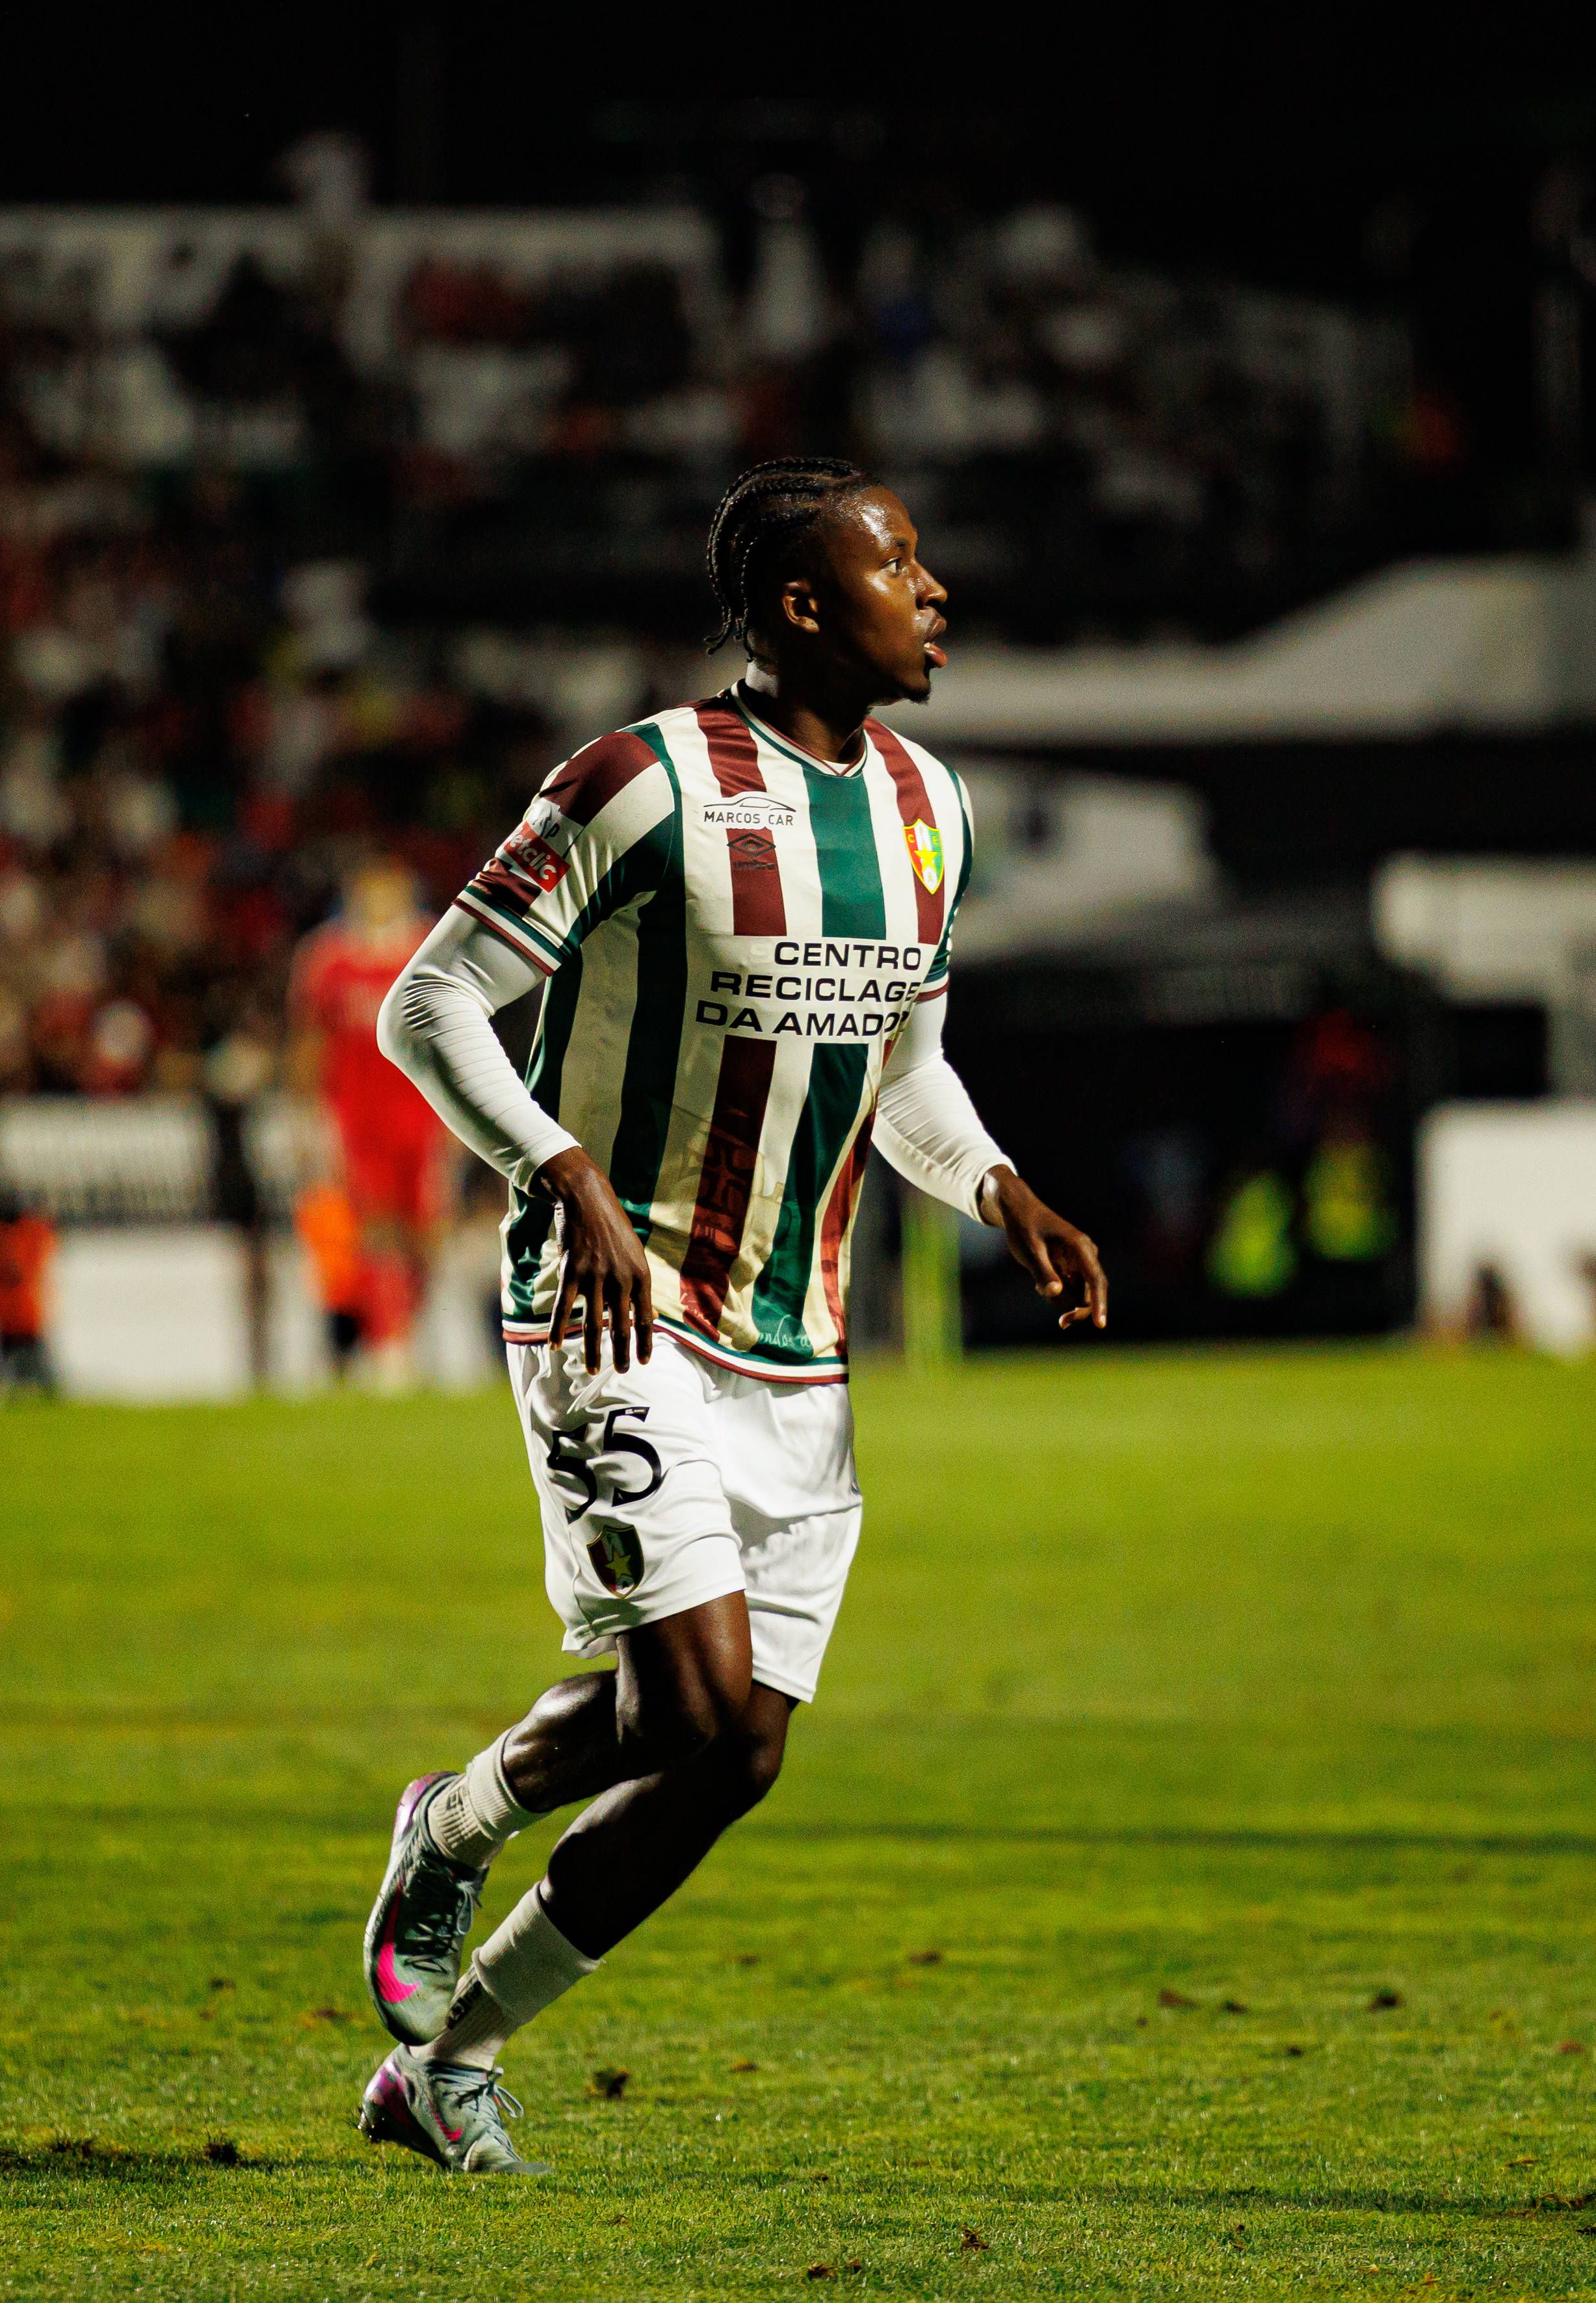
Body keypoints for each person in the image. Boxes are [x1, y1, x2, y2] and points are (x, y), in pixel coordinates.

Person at [359, 459, 1108, 2174]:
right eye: (896, 565)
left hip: (799, 1336)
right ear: (795, 607)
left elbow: (907, 1070)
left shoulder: (936, 813)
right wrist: (560, 1169)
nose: (933, 593)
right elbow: (436, 999)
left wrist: (999, 1186)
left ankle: (446, 2064)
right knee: (686, 1701)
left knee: (738, 1758)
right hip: (612, 1306)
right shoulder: (643, 783)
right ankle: (454, 1817)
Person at [286, 857, 445, 1388]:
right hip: (359, 1120)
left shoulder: (430, 947)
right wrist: (307, 1116)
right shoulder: (328, 959)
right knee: (375, 1234)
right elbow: (311, 1043)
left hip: (423, 1117)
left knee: (425, 1239)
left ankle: (405, 1329)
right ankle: (389, 1348)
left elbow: (452, 1038)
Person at [0, 1192, 59, 1397]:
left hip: (24, 1314)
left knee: (33, 1362)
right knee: (14, 1363)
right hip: (10, 1314)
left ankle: (35, 1391)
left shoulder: (18, 1234)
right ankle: (14, 1392)